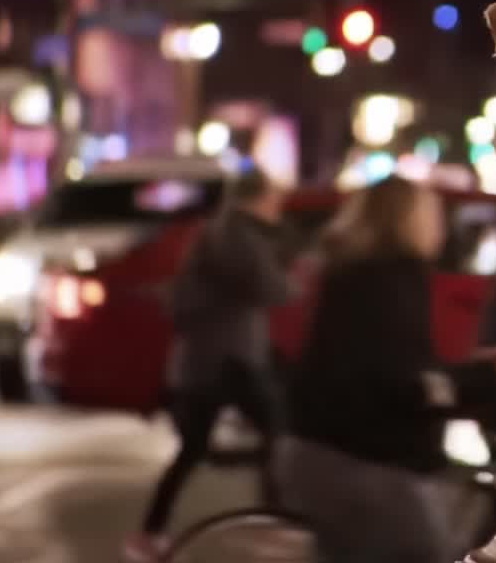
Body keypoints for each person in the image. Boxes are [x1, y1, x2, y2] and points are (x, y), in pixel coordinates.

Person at [274, 175, 451, 563]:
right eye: (432, 214)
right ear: (407, 220)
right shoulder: (392, 281)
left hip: (319, 449)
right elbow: (402, 377)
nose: (441, 225)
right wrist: (475, 384)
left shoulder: (355, 272)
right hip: (361, 460)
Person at [124, 168, 293, 562]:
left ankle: (151, 533)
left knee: (199, 447)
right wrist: (290, 274)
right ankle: (274, 521)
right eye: (274, 199)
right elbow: (270, 287)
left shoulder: (230, 231)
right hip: (224, 362)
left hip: (218, 360)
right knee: (276, 430)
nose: (278, 207)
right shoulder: (236, 235)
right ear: (258, 199)